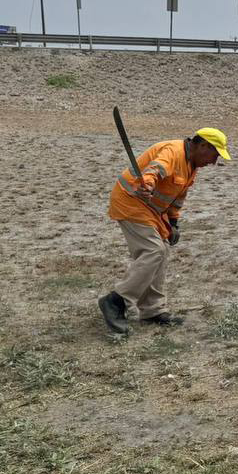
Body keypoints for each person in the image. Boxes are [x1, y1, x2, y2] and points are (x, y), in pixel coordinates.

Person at [97, 128, 230, 334]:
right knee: (153, 250)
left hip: (152, 211)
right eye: (214, 155)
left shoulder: (191, 165)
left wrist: (173, 223)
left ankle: (152, 310)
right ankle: (116, 301)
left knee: (163, 250)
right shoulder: (173, 151)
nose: (213, 162)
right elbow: (155, 170)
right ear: (203, 145)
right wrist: (148, 185)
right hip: (131, 202)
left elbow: (177, 197)